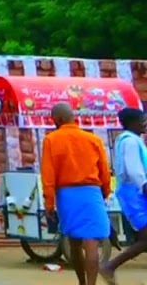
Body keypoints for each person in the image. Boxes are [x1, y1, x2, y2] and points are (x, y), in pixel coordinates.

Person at [41, 102, 111, 285]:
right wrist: (104, 192)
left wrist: (49, 203)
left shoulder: (51, 140)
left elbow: (48, 175)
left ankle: (81, 282)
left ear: (59, 119)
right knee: (92, 242)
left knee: (74, 242)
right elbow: (104, 170)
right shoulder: (93, 140)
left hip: (66, 195)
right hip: (91, 193)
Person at [102, 107, 147, 283]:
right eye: (141, 120)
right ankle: (109, 267)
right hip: (135, 194)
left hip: (135, 192)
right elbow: (134, 169)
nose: (144, 123)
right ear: (131, 123)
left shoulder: (132, 140)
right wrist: (144, 185)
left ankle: (109, 267)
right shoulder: (130, 141)